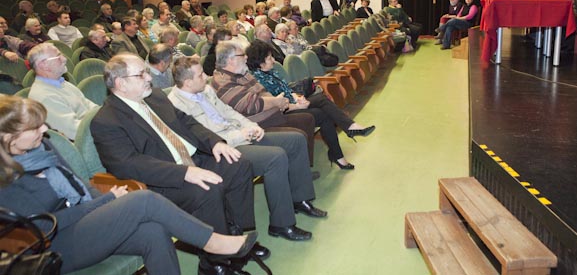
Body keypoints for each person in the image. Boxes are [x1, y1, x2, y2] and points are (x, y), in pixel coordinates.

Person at [0, 95, 257, 275]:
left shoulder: (43, 146)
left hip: (84, 221)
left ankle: (213, 247)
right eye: (35, 127)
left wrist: (103, 203)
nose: (45, 129)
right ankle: (212, 243)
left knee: (154, 232)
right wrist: (106, 201)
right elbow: (43, 227)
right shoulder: (4, 178)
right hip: (51, 246)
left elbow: (79, 184)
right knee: (143, 199)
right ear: (7, 136)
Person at [91, 54, 263, 274]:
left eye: (146, 72)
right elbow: (128, 164)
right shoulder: (106, 121)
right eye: (141, 74)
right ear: (120, 83)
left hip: (192, 160)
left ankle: (236, 236)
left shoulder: (155, 97)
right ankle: (215, 263)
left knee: (238, 165)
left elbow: (187, 122)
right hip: (161, 181)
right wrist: (184, 173)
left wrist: (215, 143)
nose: (149, 78)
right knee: (208, 188)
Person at [168, 57, 326, 240]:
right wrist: (241, 135)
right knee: (275, 158)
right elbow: (204, 137)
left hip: (239, 133)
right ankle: (282, 224)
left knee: (296, 140)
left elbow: (229, 112)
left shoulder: (205, 89)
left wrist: (251, 126)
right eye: (201, 74)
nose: (206, 76)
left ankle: (300, 199)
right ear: (188, 82)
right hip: (224, 147)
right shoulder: (176, 105)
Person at [245, 40, 376, 169]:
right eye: (269, 58)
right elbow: (276, 106)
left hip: (292, 104)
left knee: (321, 99)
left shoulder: (270, 72)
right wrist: (297, 106)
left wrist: (298, 98)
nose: (273, 60)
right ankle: (340, 150)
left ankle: (349, 130)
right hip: (281, 114)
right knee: (323, 114)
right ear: (260, 63)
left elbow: (287, 90)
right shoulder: (258, 81)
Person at [27, 43, 98, 140]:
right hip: (86, 140)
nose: (64, 59)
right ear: (43, 65)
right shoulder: (44, 97)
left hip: (93, 131)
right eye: (58, 57)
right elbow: (75, 132)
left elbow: (89, 106)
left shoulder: (61, 82)